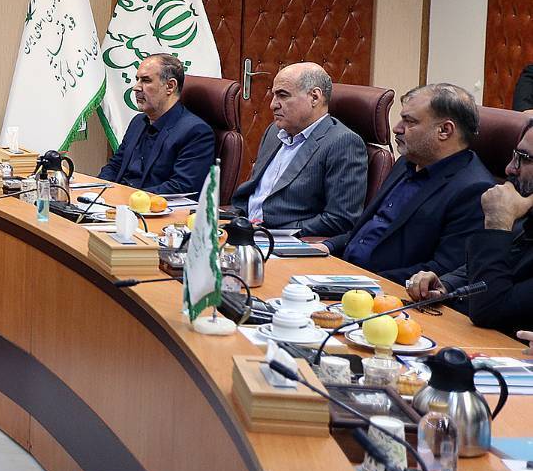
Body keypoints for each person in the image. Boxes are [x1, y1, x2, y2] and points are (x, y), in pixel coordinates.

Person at [324, 83, 495, 285]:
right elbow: (367, 230)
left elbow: (443, 271)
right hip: (342, 271)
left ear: (444, 130)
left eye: (409, 121)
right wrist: (327, 246)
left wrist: (359, 281)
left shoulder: (473, 190)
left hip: (384, 292)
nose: (397, 128)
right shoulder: (407, 162)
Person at [407, 118, 533, 336]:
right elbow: (501, 263)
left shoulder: (510, 211)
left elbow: (490, 310)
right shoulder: (526, 210)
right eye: (515, 155)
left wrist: (497, 225)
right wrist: (446, 285)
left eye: (525, 158)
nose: (510, 168)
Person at [227, 62, 367, 237]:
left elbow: (340, 219)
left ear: (314, 97)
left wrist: (272, 233)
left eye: (282, 95)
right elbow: (254, 194)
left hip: (283, 241)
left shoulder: (343, 143)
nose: (272, 105)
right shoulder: (274, 131)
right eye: (274, 95)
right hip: (243, 230)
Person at [98, 54, 215, 196]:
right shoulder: (137, 122)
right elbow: (115, 166)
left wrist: (126, 198)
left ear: (170, 86)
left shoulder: (195, 132)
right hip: (116, 202)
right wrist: (96, 192)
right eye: (137, 80)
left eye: (146, 81)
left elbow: (180, 187)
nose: (136, 87)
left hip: (151, 206)